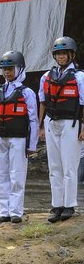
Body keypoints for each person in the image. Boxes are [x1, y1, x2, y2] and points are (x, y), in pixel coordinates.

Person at [0, 50, 39, 226]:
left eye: (11, 68)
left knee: (17, 175)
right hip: (0, 138)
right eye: (5, 69)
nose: (7, 72)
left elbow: (33, 119)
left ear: (19, 69)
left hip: (18, 138)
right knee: (1, 175)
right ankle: (4, 212)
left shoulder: (27, 93)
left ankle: (16, 211)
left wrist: (32, 145)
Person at [39, 36, 84, 223]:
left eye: (64, 54)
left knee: (69, 165)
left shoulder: (80, 77)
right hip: (52, 122)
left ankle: (69, 204)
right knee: (54, 166)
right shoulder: (47, 76)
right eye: (58, 54)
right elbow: (42, 102)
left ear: (71, 55)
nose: (61, 57)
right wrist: (40, 126)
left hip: (71, 123)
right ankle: (57, 204)